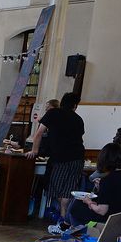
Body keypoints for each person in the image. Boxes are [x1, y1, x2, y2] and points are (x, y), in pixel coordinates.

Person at [26, 92, 85, 234]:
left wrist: (34, 150)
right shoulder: (78, 119)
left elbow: (39, 133)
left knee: (58, 189)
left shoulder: (53, 113)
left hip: (61, 158)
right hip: (78, 158)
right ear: (75, 106)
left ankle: (64, 221)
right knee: (69, 189)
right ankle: (66, 222)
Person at [68, 142, 121, 227]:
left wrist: (89, 202)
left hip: (110, 219)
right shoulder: (108, 180)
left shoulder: (107, 180)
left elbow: (102, 211)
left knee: (76, 207)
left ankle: (80, 233)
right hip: (118, 215)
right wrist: (101, 187)